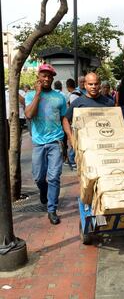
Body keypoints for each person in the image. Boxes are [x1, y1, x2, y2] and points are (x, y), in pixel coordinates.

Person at [25, 64, 67, 225]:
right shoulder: (30, 95)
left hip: (56, 142)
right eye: (44, 75)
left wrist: (68, 139)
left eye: (49, 76)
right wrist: (37, 94)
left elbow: (64, 119)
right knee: (38, 177)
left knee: (54, 177)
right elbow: (29, 114)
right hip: (38, 143)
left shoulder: (59, 97)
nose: (47, 78)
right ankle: (43, 190)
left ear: (53, 78)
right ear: (39, 76)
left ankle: (52, 209)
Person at [63, 73, 114, 147]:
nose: (93, 87)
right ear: (85, 85)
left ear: (99, 85)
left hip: (104, 144)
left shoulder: (109, 103)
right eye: (90, 84)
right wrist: (71, 138)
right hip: (84, 145)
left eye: (96, 84)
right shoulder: (78, 102)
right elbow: (65, 120)